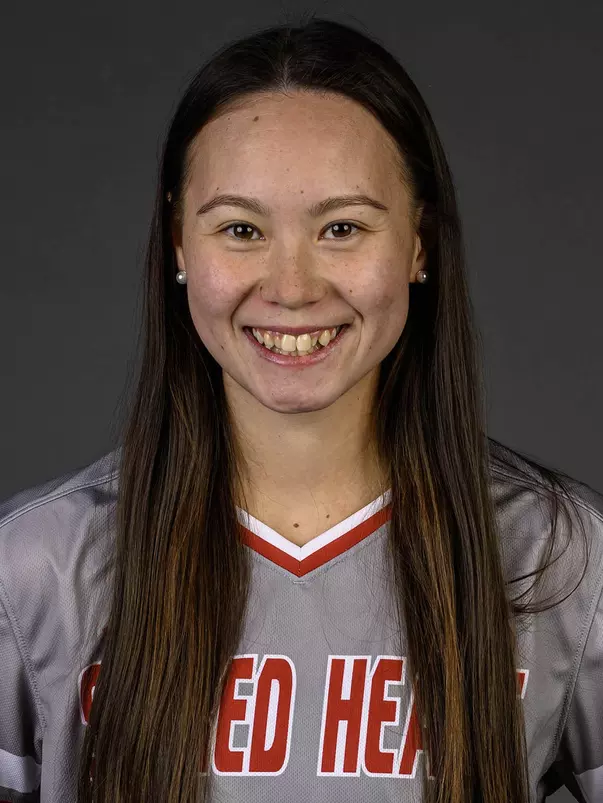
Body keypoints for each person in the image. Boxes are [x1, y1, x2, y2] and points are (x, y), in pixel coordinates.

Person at [0, 14, 601, 803]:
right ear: (179, 243)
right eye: (241, 229)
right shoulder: (35, 570)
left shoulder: (561, 564)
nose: (290, 285)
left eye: (342, 228)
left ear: (418, 244)